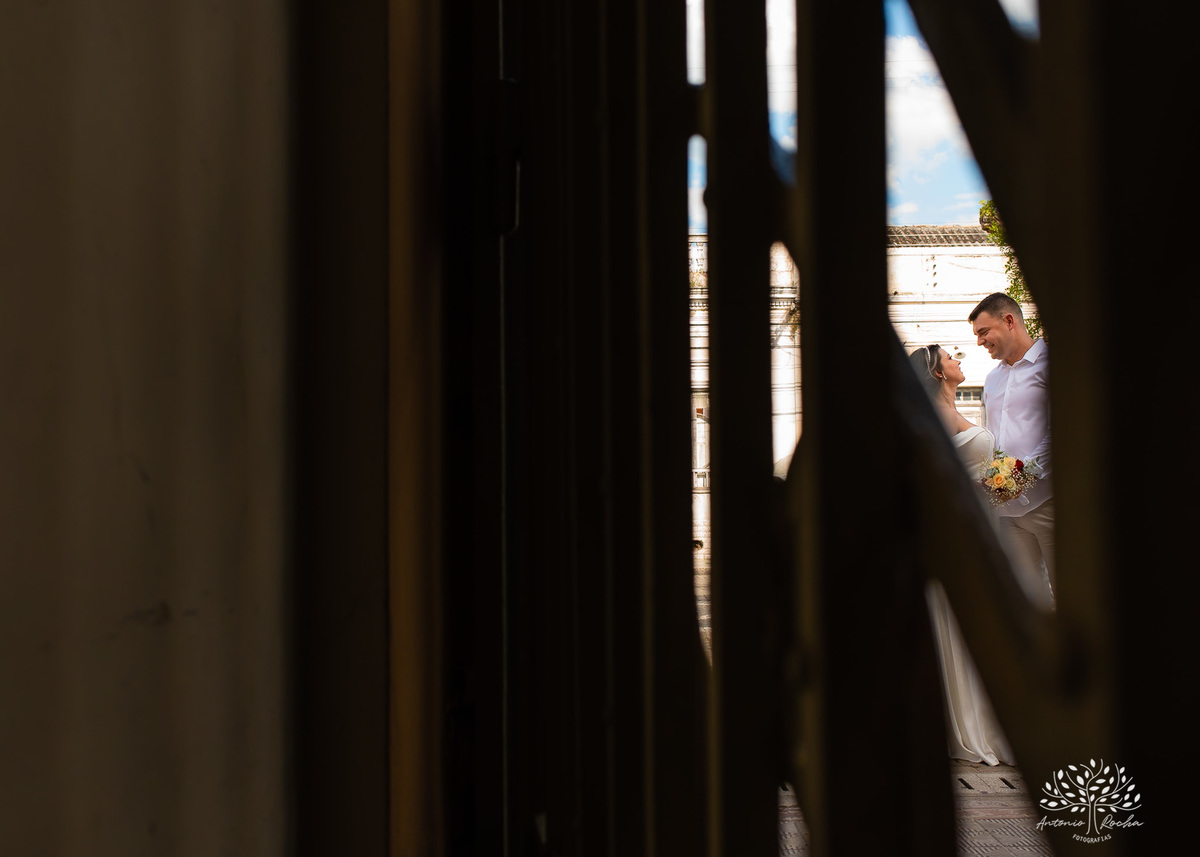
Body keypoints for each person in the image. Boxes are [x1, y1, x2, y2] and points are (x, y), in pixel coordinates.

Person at [909, 343, 1015, 766]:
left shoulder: (961, 404)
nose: (959, 358)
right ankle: (965, 727)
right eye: (950, 357)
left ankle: (982, 719)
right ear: (937, 372)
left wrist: (1007, 479)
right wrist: (983, 483)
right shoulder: (930, 416)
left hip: (987, 527)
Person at [968, 293, 1054, 611]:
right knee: (1028, 605)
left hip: (1050, 504)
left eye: (983, 332)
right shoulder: (991, 380)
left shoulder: (1051, 366)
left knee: (1070, 598)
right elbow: (995, 439)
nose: (979, 342)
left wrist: (1023, 473)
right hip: (1008, 516)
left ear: (1009, 322)